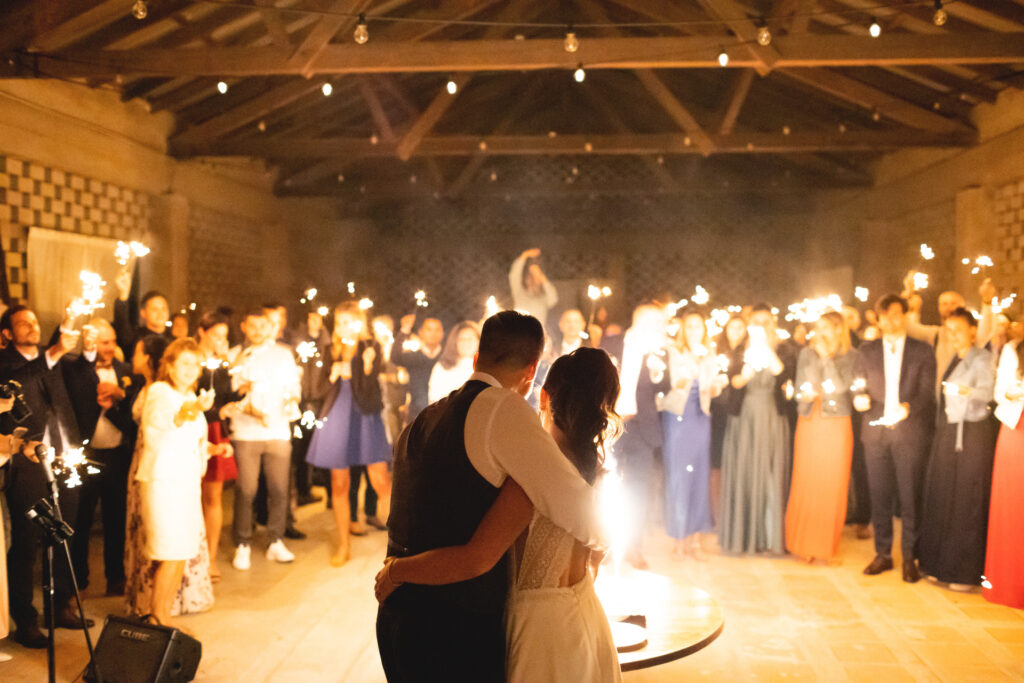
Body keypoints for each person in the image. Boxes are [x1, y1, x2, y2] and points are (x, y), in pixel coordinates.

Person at [376, 311, 607, 683]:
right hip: (453, 628)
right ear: (531, 372)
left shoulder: (426, 418)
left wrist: (396, 571)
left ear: (476, 358)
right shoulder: (504, 407)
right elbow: (577, 506)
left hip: (395, 617)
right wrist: (603, 539)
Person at [0, 305, 90, 648]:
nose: (31, 327)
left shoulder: (54, 361)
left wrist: (68, 330)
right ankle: (25, 619)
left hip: (64, 458)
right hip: (26, 461)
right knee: (26, 541)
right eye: (22, 323)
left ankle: (60, 605)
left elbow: (72, 373)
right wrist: (53, 351)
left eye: (35, 321)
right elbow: (21, 379)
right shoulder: (6, 363)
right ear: (7, 333)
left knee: (64, 532)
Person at [125, 334, 213, 620]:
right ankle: (157, 617)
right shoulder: (160, 392)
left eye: (196, 365)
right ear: (171, 366)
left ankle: (164, 618)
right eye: (185, 363)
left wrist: (212, 448)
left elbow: (187, 440)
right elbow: (159, 425)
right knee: (169, 552)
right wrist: (192, 410)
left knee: (182, 552)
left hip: (186, 484)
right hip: (163, 484)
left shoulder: (189, 397)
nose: (191, 370)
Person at [853, 294, 935, 582]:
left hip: (908, 432)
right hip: (875, 432)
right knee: (879, 495)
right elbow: (857, 384)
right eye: (885, 315)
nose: (891, 320)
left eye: (896, 314)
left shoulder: (922, 351)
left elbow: (927, 393)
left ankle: (910, 556)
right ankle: (883, 554)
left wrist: (908, 408)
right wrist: (859, 398)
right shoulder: (866, 350)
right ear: (878, 318)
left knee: (910, 495)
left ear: (905, 315)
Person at [305, 301, 392, 566]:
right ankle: (344, 545)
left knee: (381, 479)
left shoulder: (370, 347)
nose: (344, 327)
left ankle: (398, 545)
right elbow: (315, 390)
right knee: (339, 484)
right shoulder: (329, 350)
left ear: (360, 322)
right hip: (337, 417)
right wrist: (333, 373)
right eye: (340, 322)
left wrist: (364, 368)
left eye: (349, 321)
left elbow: (370, 392)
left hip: (365, 416)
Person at [917, 308, 997, 589]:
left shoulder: (982, 358)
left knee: (966, 498)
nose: (953, 336)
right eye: (949, 331)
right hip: (949, 434)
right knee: (944, 496)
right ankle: (939, 565)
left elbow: (987, 394)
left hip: (972, 434)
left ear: (973, 331)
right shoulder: (954, 359)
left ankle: (964, 571)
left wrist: (965, 393)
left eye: (959, 330)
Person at [66, 318, 142, 597]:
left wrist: (115, 403)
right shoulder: (75, 369)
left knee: (116, 519)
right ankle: (77, 579)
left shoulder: (126, 371)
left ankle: (116, 577)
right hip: (85, 456)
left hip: (117, 455)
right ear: (90, 343)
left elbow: (134, 418)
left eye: (112, 341)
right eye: (103, 342)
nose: (110, 347)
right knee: (80, 519)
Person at [226, 308, 301, 570]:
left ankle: (275, 540)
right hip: (246, 432)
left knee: (279, 489)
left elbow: (293, 387)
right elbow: (231, 390)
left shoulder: (283, 354)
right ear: (244, 325)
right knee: (246, 490)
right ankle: (243, 542)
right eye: (253, 325)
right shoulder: (235, 355)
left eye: (263, 326)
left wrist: (292, 401)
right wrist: (246, 399)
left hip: (278, 430)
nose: (258, 331)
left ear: (271, 328)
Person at [785, 311, 858, 563]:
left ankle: (825, 545)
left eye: (826, 327)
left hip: (835, 423)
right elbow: (799, 387)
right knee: (807, 480)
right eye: (819, 327)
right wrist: (802, 394)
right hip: (809, 420)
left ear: (839, 330)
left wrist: (827, 359)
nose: (821, 332)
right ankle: (802, 544)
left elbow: (841, 387)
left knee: (831, 483)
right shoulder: (806, 353)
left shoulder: (851, 356)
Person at [719, 305, 791, 555]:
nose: (761, 326)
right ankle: (744, 537)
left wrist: (771, 355)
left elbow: (787, 379)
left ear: (772, 323)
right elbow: (733, 382)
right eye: (756, 321)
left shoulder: (783, 349)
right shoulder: (740, 350)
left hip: (771, 417)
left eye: (765, 321)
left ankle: (770, 538)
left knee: (771, 475)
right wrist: (745, 375)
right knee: (746, 472)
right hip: (745, 419)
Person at [661, 310, 726, 559]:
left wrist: (716, 385)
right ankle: (678, 538)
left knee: (700, 476)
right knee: (679, 477)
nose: (694, 332)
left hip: (701, 419)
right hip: (679, 418)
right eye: (689, 327)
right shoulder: (673, 353)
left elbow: (713, 388)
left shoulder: (710, 356)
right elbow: (670, 383)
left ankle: (696, 539)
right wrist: (682, 379)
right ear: (682, 330)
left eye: (698, 327)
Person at [614, 303, 670, 568]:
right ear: (639, 320)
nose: (660, 327)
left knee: (638, 489)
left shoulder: (658, 353)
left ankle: (632, 546)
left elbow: (665, 385)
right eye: (656, 322)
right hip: (612, 426)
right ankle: (601, 544)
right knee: (605, 485)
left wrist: (658, 369)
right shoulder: (609, 343)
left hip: (642, 429)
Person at [196, 312, 239, 582]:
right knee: (191, 496)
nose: (219, 341)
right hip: (193, 425)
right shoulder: (189, 357)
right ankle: (191, 555)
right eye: (215, 335)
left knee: (213, 496)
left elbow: (227, 397)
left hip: (215, 431)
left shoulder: (221, 365)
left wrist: (229, 369)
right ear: (201, 331)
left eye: (224, 336)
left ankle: (210, 558)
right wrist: (217, 411)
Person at [983, 332, 1024, 608]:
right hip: (1017, 430)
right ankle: (1010, 586)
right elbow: (1001, 392)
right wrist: (1015, 390)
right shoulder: (1014, 349)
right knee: (1013, 507)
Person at [902, 273, 996, 393]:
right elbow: (907, 327)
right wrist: (908, 296)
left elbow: (986, 331)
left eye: (953, 303)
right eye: (944, 304)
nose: (949, 308)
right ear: (939, 308)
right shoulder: (935, 334)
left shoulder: (971, 333)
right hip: (939, 398)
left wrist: (987, 302)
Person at [710, 316, 746, 525]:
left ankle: (734, 515)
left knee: (734, 464)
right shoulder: (716, 352)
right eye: (732, 326)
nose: (736, 330)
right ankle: (717, 515)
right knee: (717, 465)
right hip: (718, 413)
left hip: (739, 413)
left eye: (740, 326)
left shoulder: (747, 353)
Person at [393, 316, 444, 422]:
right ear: (421, 333)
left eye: (437, 329)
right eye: (429, 329)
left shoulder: (448, 358)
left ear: (442, 333)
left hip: (443, 415)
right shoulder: (413, 357)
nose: (433, 333)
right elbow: (395, 356)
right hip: (417, 415)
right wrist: (404, 331)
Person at [113, 270, 172, 361]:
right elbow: (122, 323)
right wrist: (124, 293)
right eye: (154, 309)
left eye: (163, 309)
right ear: (143, 313)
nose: (160, 313)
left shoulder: (175, 340)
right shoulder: (135, 338)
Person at [427, 321, 480, 403]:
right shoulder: (442, 368)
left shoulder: (487, 368)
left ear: (478, 342)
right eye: (462, 339)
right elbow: (434, 401)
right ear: (455, 342)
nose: (466, 343)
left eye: (470, 339)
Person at [509, 248, 558, 329]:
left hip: (538, 336)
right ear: (525, 279)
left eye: (535, 277)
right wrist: (524, 256)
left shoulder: (544, 299)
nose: (532, 280)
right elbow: (514, 276)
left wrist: (542, 278)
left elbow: (554, 298)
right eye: (530, 276)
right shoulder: (519, 293)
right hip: (519, 333)